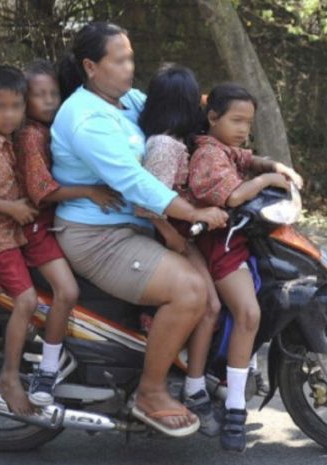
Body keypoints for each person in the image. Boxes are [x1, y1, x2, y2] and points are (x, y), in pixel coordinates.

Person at [52, 22, 228, 437]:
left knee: (209, 292)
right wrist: (192, 211)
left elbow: (171, 113)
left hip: (131, 227)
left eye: (131, 57)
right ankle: (149, 393)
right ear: (92, 66)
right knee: (190, 291)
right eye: (120, 59)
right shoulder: (85, 117)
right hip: (98, 236)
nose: (131, 67)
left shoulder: (124, 99)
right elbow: (134, 181)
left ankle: (189, 375)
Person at [188, 83, 303, 451]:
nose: (242, 130)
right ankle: (235, 408)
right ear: (212, 117)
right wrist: (268, 180)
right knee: (248, 313)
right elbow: (233, 195)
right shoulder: (207, 156)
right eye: (236, 120)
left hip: (238, 241)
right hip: (220, 248)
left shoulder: (226, 150)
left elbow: (249, 159)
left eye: (248, 123)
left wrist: (275, 165)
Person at [0, 66, 73, 416]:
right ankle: (9, 376)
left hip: (13, 232)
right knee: (26, 301)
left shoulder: (6, 139)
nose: (10, 114)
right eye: (1, 106)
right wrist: (13, 208)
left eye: (16, 106)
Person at [14, 59, 125, 406]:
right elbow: (42, 191)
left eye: (53, 94)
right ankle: (47, 370)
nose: (48, 101)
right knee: (67, 291)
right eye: (39, 95)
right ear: (24, 101)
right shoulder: (32, 135)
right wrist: (90, 192)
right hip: (36, 227)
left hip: (54, 221)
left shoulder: (55, 126)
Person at [137, 63, 221, 437]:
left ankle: (196, 379)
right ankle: (193, 387)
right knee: (209, 305)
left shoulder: (178, 142)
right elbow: (145, 203)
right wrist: (169, 234)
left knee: (214, 305)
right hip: (168, 235)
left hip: (183, 231)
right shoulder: (164, 146)